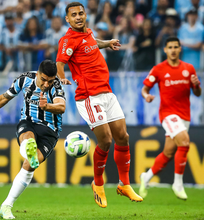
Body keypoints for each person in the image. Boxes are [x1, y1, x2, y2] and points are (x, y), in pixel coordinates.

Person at [56, 2, 143, 208]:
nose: (78, 17)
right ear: (67, 19)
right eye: (74, 15)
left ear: (85, 15)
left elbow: (92, 43)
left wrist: (107, 43)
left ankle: (124, 184)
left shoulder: (87, 34)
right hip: (88, 96)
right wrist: (62, 78)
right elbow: (60, 62)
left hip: (107, 92)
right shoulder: (67, 39)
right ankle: (98, 184)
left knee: (123, 137)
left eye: (81, 13)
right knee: (105, 140)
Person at [0, 60, 66, 219]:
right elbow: (4, 98)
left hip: (50, 130)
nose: (46, 84)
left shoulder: (57, 85)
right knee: (28, 138)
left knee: (31, 164)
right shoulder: (24, 79)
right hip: (28, 122)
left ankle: (6, 205)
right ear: (37, 74)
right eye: (43, 79)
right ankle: (27, 147)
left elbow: (61, 107)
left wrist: (47, 107)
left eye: (50, 81)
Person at [139, 37, 202, 200]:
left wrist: (196, 85)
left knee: (168, 153)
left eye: (176, 47)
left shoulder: (189, 69)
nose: (173, 50)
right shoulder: (158, 69)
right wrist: (147, 96)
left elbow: (197, 93)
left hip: (184, 116)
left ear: (180, 49)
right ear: (165, 50)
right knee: (185, 141)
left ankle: (146, 177)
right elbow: (145, 89)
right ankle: (178, 183)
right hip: (167, 115)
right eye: (170, 47)